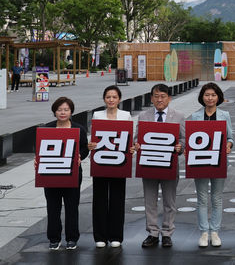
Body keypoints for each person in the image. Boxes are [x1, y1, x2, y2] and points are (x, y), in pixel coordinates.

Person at [137, 83, 185, 249]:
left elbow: (184, 139)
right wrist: (137, 145)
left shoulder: (178, 116)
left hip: (169, 165)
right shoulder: (143, 115)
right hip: (149, 164)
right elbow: (137, 138)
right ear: (151, 98)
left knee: (169, 201)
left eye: (163, 96)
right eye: (156, 96)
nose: (159, 99)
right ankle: (152, 233)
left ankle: (167, 233)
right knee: (150, 201)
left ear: (169, 98)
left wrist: (181, 147)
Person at [187, 82, 233, 248]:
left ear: (218, 97)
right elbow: (191, 139)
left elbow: (230, 138)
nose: (210, 98)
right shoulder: (195, 116)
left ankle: (214, 231)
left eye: (213, 95)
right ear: (202, 97)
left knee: (217, 198)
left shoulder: (224, 115)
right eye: (207, 95)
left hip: (218, 161)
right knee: (202, 198)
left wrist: (229, 145)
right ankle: (203, 232)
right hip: (200, 162)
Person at [41, 97, 89, 251]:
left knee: (71, 206)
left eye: (66, 110)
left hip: (72, 173)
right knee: (53, 206)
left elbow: (84, 148)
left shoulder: (79, 129)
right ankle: (54, 238)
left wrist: (81, 156)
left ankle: (72, 238)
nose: (62, 112)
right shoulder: (47, 129)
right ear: (54, 111)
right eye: (59, 109)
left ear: (71, 112)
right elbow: (40, 150)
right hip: (51, 173)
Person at [88, 85, 133, 248]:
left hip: (120, 162)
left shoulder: (126, 115)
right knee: (99, 198)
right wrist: (91, 145)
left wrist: (131, 148)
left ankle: (116, 236)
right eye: (108, 97)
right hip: (101, 162)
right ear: (104, 99)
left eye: (114, 97)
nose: (111, 100)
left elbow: (128, 139)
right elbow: (94, 137)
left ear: (119, 99)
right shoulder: (97, 115)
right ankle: (100, 236)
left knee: (117, 199)